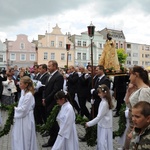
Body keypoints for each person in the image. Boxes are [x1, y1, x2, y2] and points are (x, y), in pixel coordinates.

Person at [124, 66, 150, 149]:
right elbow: (128, 104)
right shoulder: (138, 89)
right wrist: (129, 91)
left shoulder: (144, 91)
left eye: (130, 74)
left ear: (136, 75)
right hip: (134, 124)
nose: (129, 77)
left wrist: (134, 131)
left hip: (137, 126)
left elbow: (143, 112)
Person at [11, 76, 38, 150]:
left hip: (26, 118)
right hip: (22, 117)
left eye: (21, 84)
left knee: (25, 136)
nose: (19, 85)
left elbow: (24, 109)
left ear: (26, 84)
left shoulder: (29, 95)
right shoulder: (23, 92)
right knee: (19, 135)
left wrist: (15, 109)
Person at [42, 60, 64, 147]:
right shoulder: (49, 76)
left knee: (53, 121)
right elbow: (45, 88)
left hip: (53, 102)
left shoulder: (58, 76)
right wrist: (44, 98)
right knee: (50, 120)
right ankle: (54, 138)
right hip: (47, 101)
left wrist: (47, 99)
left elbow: (56, 90)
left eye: (50, 66)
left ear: (55, 66)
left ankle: (53, 140)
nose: (48, 67)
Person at [86, 84, 113, 150]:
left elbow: (99, 117)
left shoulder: (104, 103)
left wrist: (89, 124)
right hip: (102, 124)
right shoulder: (103, 101)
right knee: (101, 143)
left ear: (104, 93)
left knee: (103, 143)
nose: (98, 94)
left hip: (105, 126)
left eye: (99, 93)